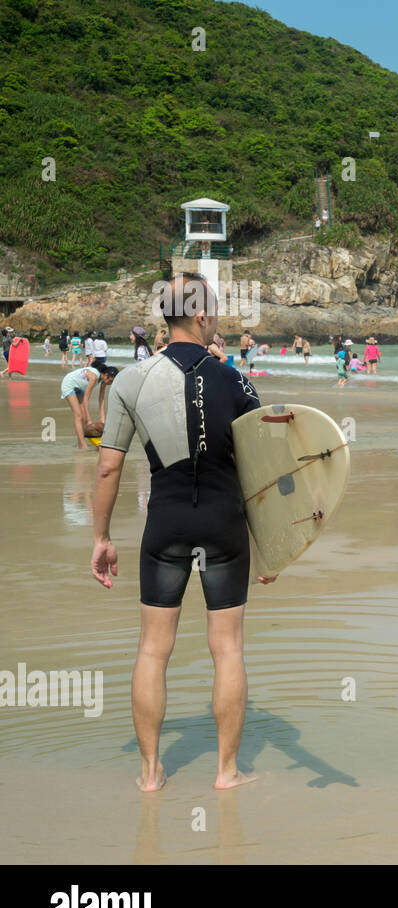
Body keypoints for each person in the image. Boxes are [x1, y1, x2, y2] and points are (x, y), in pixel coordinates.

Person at [91, 273, 269, 792]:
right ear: (202, 316)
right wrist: (273, 547)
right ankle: (226, 772)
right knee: (228, 648)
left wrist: (101, 537)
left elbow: (108, 469)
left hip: (165, 524)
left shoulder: (131, 379)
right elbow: (261, 469)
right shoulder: (236, 381)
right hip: (224, 525)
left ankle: (149, 774)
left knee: (152, 650)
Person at [61, 364, 115, 450]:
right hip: (69, 384)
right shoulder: (94, 377)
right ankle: (84, 446)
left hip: (80, 387)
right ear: (106, 375)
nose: (109, 383)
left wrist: (103, 419)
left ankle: (81, 444)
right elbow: (86, 399)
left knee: (84, 417)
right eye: (110, 381)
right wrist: (89, 420)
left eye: (111, 382)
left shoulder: (103, 380)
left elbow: (101, 399)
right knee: (79, 416)